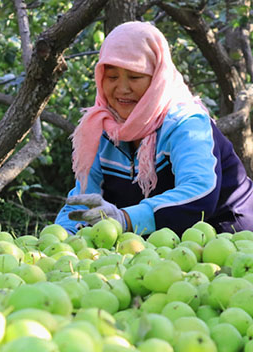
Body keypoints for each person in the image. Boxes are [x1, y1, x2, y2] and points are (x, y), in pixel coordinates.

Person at [54, 21, 253, 236]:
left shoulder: (185, 123)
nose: (122, 88)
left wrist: (126, 218)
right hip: (160, 246)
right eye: (112, 77)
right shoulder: (102, 129)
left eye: (135, 77)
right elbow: (83, 202)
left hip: (227, 233)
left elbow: (200, 192)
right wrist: (62, 239)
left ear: (158, 77)